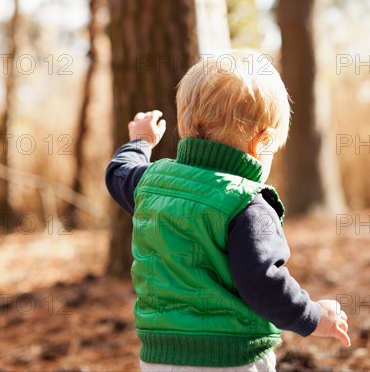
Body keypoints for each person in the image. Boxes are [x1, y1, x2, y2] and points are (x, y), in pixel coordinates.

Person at [106, 50, 350, 372]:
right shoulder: (246, 204)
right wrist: (315, 316)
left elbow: (118, 173)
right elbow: (264, 283)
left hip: (159, 355)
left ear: (185, 123)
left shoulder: (151, 183)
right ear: (263, 141)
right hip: (232, 356)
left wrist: (140, 142)